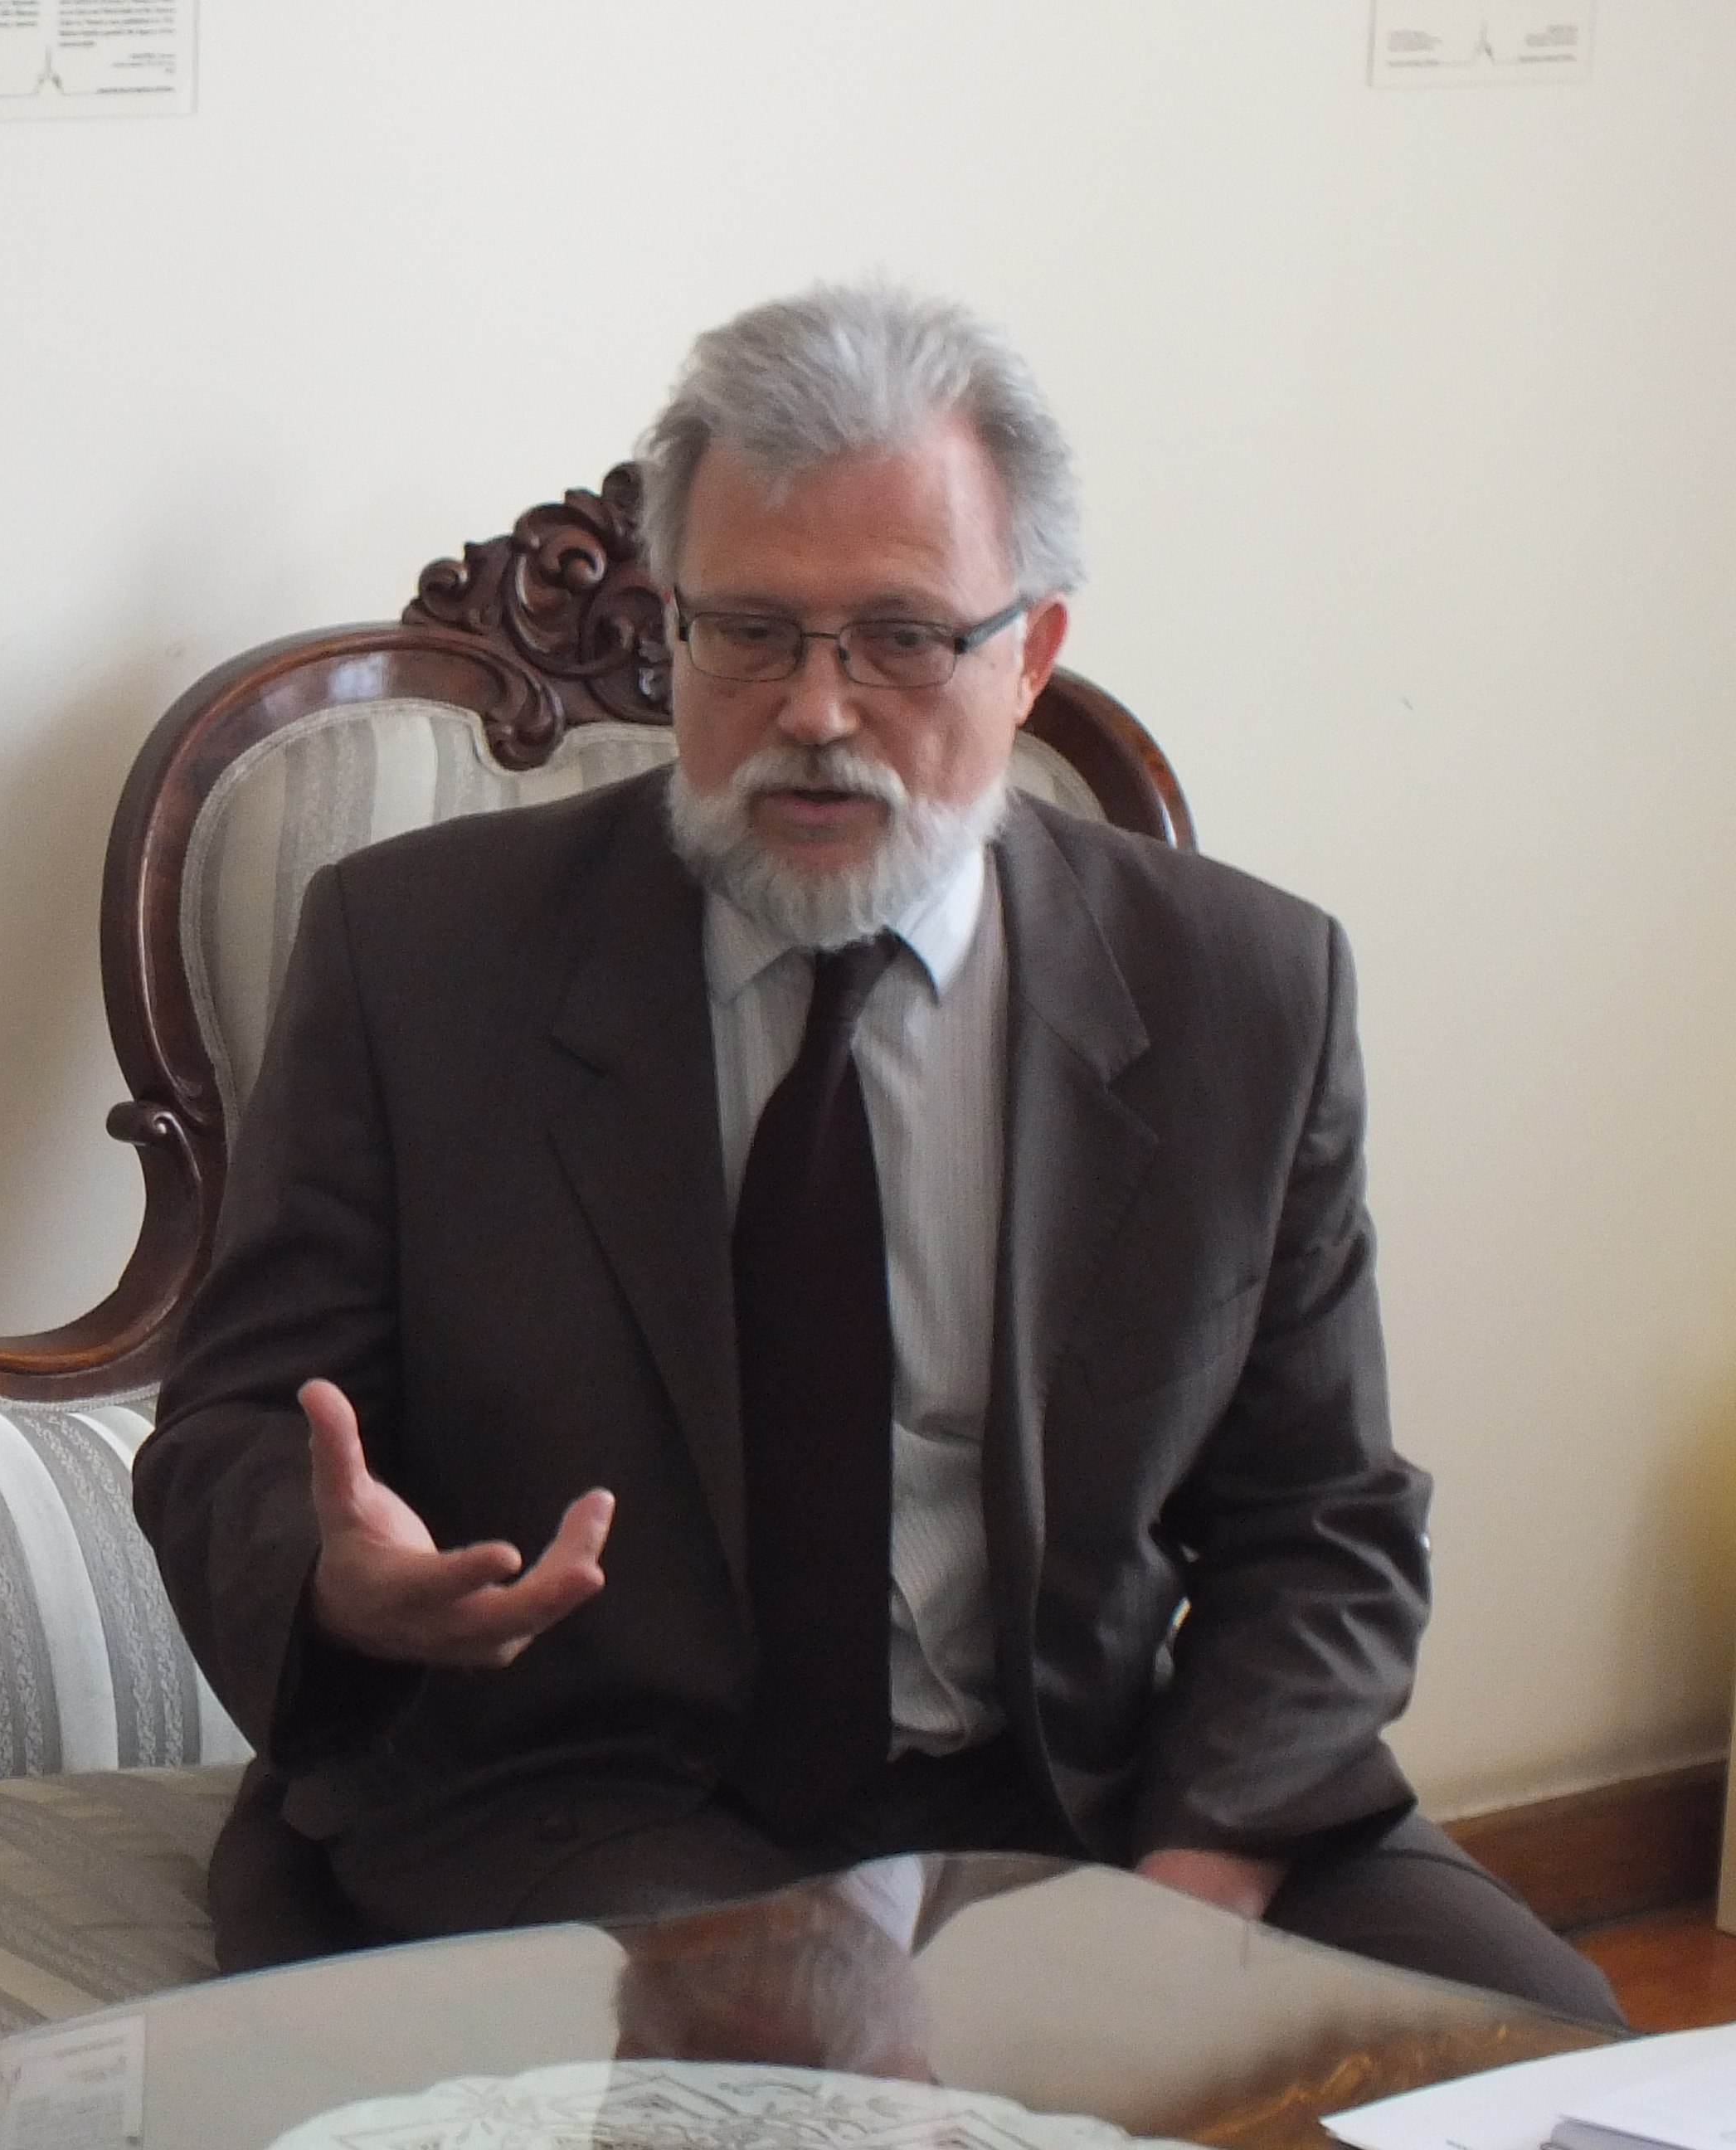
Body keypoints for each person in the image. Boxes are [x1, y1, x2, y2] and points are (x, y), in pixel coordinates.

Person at [132, 284, 1617, 2022]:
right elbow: (233, 1425)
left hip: (1093, 1794)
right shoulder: (422, 958)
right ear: (673, 628)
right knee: (814, 2082)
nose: (817, 712)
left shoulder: (1244, 993)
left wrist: (1193, 1888)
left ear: (1032, 653)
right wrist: (342, 1582)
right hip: (594, 1790)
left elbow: (1323, 1521)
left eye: (902, 638)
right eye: (751, 633)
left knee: (1555, 2065)